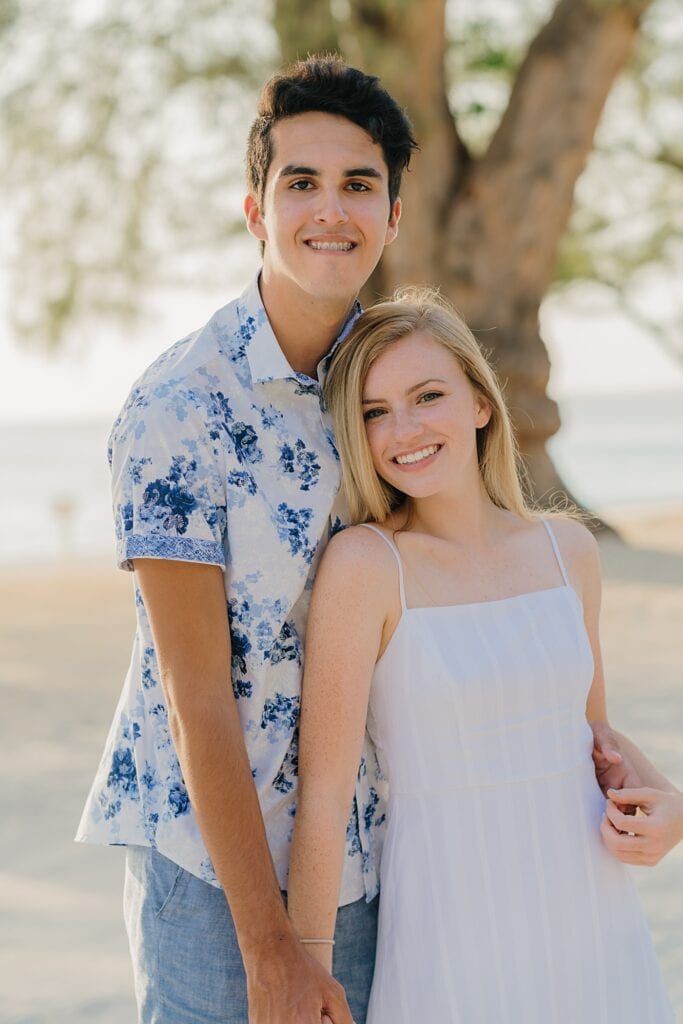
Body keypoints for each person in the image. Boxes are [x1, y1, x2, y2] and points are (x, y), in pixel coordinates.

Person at [76, 55, 417, 1024]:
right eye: (298, 181)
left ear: (392, 215)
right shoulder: (179, 407)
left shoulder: (398, 388)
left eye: (359, 184)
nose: (330, 208)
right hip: (218, 874)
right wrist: (267, 947)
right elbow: (194, 697)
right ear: (254, 210)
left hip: (377, 850)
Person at [287, 289, 675, 1022]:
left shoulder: (568, 550)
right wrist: (310, 965)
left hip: (589, 912)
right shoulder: (366, 564)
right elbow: (326, 794)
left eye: (426, 395)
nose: (402, 429)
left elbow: (592, 733)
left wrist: (672, 809)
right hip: (451, 924)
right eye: (373, 412)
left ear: (479, 403)